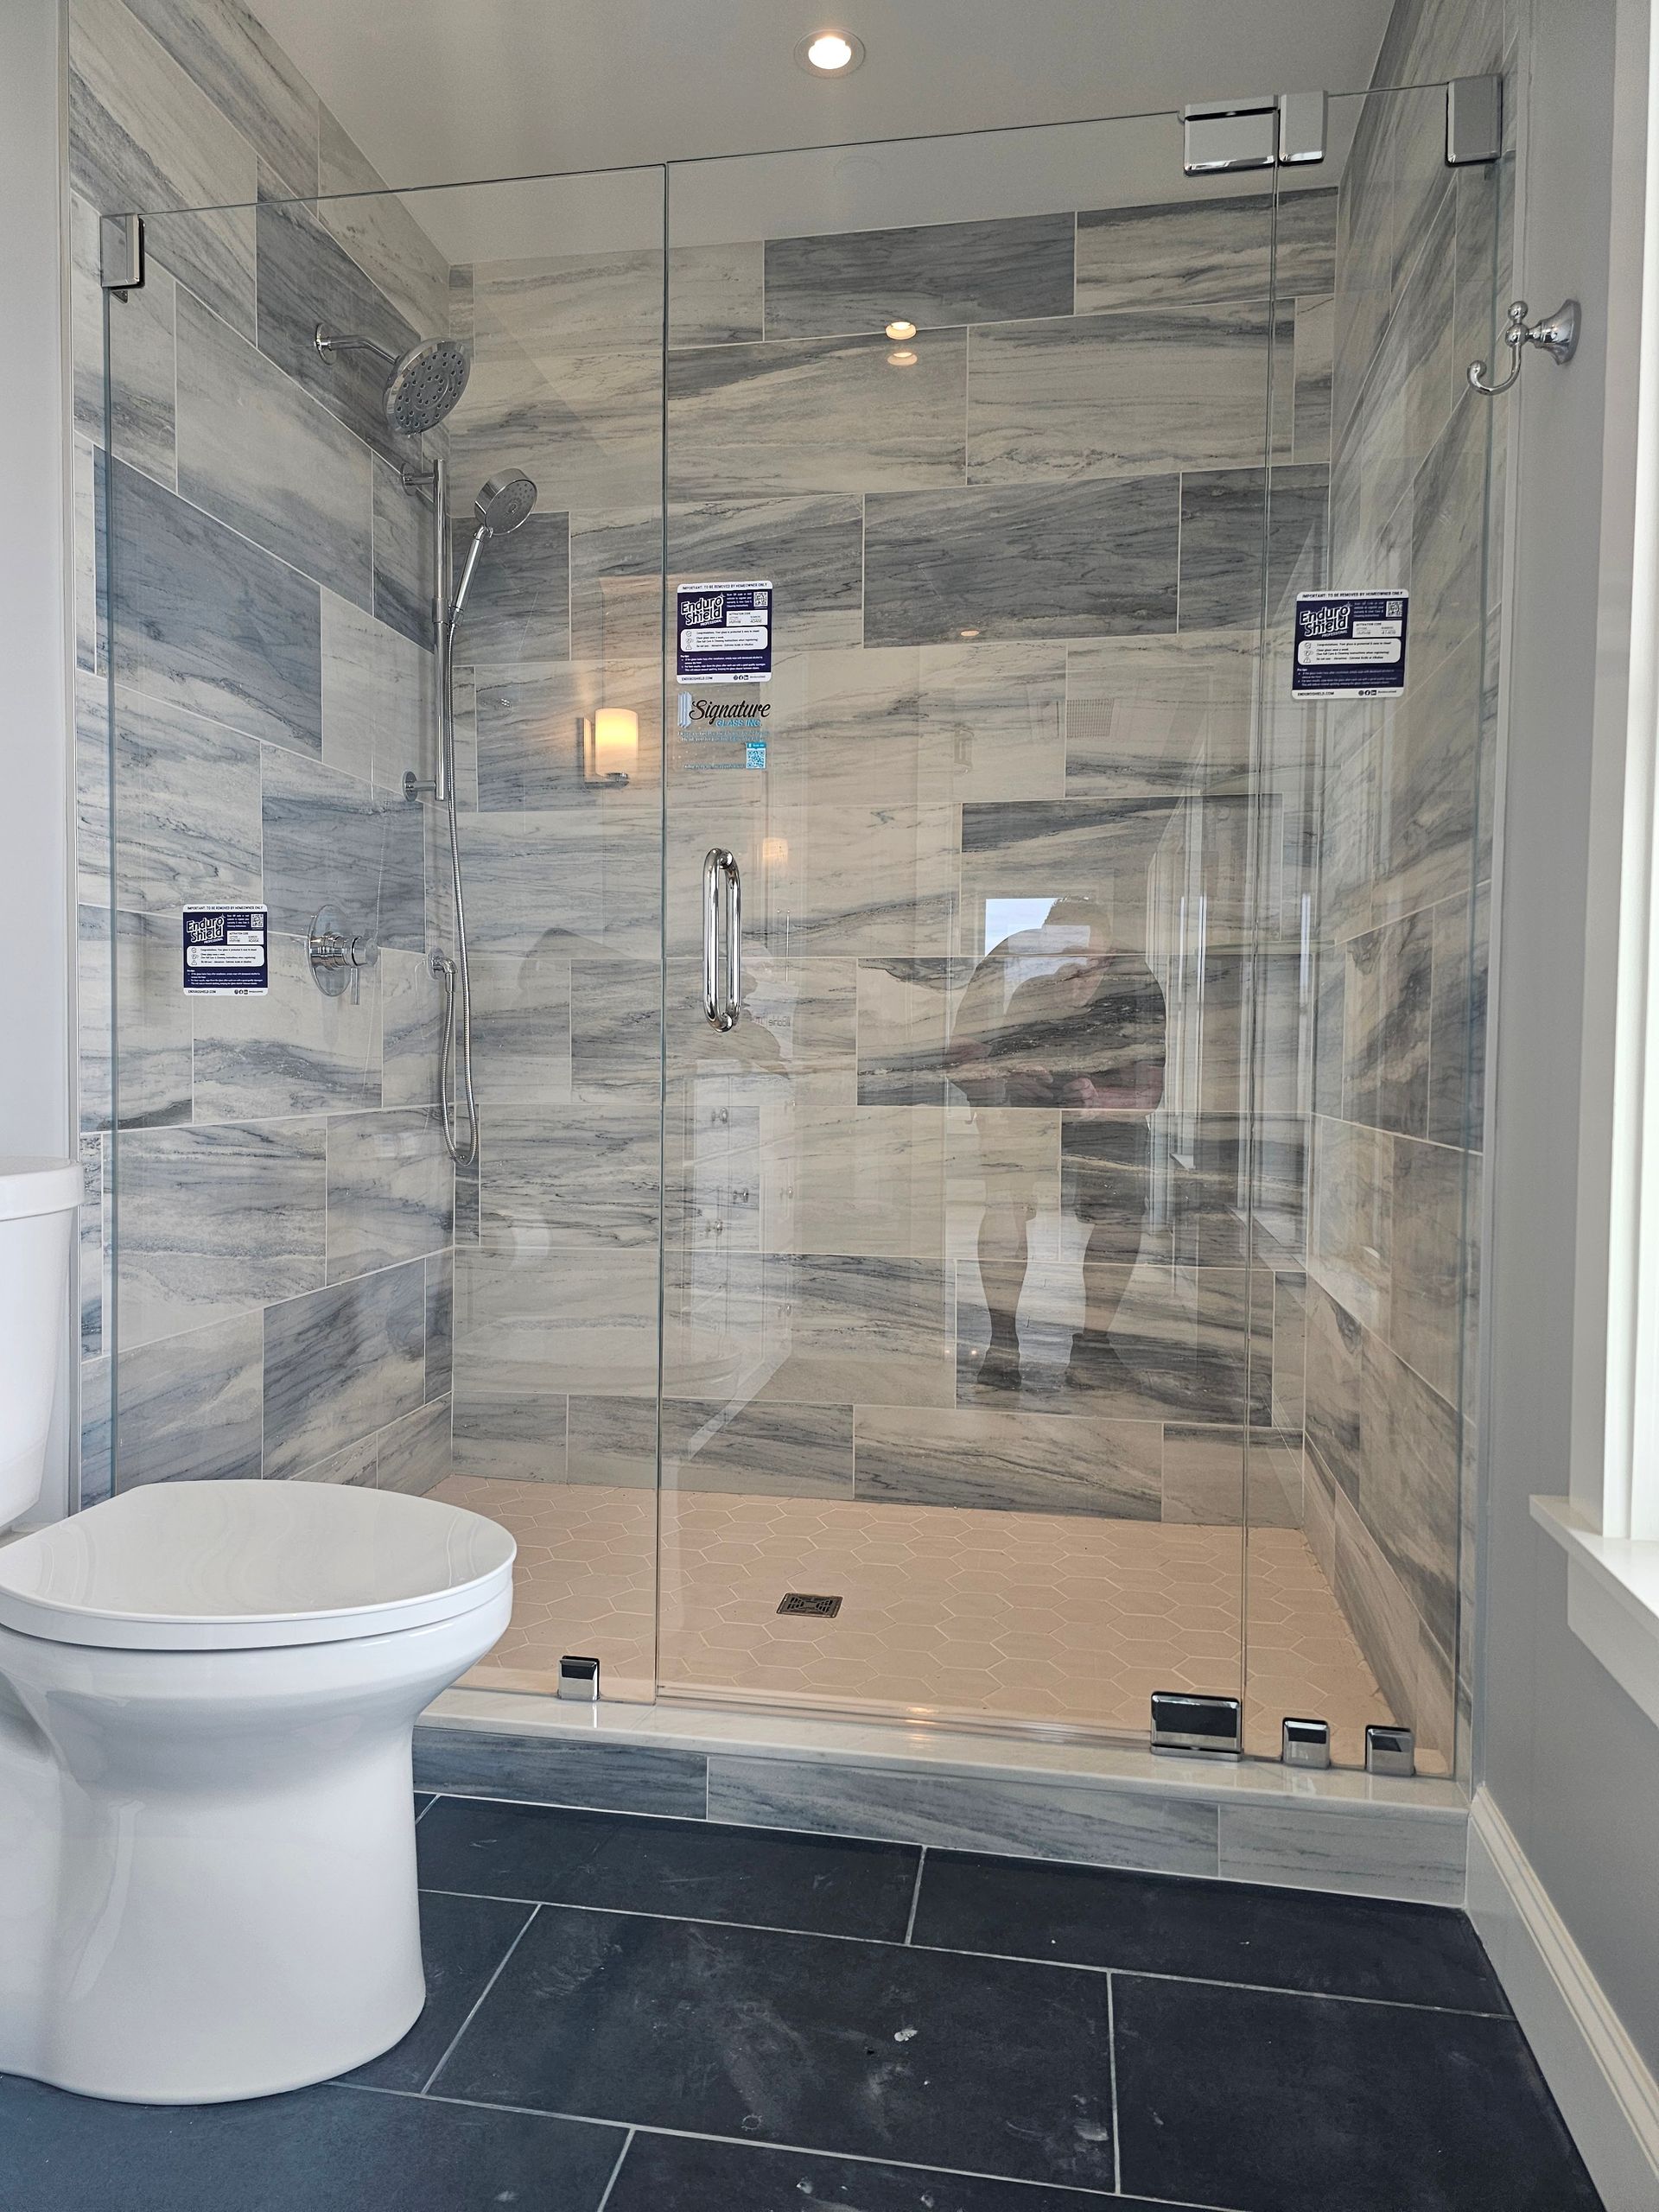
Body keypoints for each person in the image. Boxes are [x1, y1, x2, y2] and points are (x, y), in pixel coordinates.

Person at [946, 899, 1166, 1395]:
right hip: (1017, 1113)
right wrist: (1005, 1081)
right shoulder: (1010, 969)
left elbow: (1150, 1091)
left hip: (1103, 1115)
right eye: (1068, 958)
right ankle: (1004, 1343)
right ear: (1044, 951)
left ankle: (1095, 1343)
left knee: (1121, 1214)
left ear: (1111, 958)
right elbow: (958, 1055)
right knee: (1005, 1206)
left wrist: (1098, 1099)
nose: (1083, 973)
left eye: (1097, 962)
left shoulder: (1136, 984)